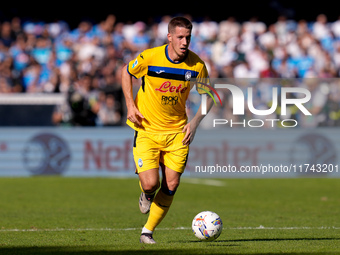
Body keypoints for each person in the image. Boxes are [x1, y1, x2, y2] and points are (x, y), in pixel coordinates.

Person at [121, 16, 213, 244]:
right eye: (180, 37)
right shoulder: (150, 57)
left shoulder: (197, 65)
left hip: (177, 133)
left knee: (171, 184)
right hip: (147, 129)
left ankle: (147, 232)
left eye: (188, 38)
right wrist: (131, 105)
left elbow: (209, 97)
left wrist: (195, 122)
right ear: (169, 37)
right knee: (151, 183)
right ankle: (147, 193)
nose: (185, 42)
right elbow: (126, 72)